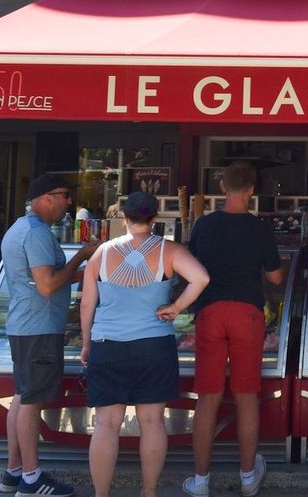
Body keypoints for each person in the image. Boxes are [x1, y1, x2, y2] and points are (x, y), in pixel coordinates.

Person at [80, 193, 209, 497]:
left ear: (123, 218)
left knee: (106, 424)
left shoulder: (101, 253)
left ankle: (101, 494)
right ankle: (149, 492)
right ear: (154, 219)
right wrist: (176, 307)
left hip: (107, 345)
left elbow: (87, 303)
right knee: (152, 421)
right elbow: (201, 278)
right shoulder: (169, 250)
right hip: (153, 346)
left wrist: (87, 342)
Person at [183, 161, 286, 497]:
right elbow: (275, 277)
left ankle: (200, 481)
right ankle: (247, 477)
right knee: (246, 399)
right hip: (247, 314)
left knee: (207, 399)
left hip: (210, 313)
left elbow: (188, 268)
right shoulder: (260, 229)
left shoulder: (204, 225)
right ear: (252, 191)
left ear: (223, 188)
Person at [0, 175, 99, 497]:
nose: (68, 202)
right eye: (64, 195)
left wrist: (90, 271)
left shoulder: (19, 228)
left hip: (23, 325)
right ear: (45, 198)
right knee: (31, 402)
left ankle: (14, 472)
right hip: (38, 327)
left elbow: (50, 278)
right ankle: (31, 478)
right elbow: (47, 285)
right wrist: (81, 257)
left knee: (21, 397)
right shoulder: (37, 233)